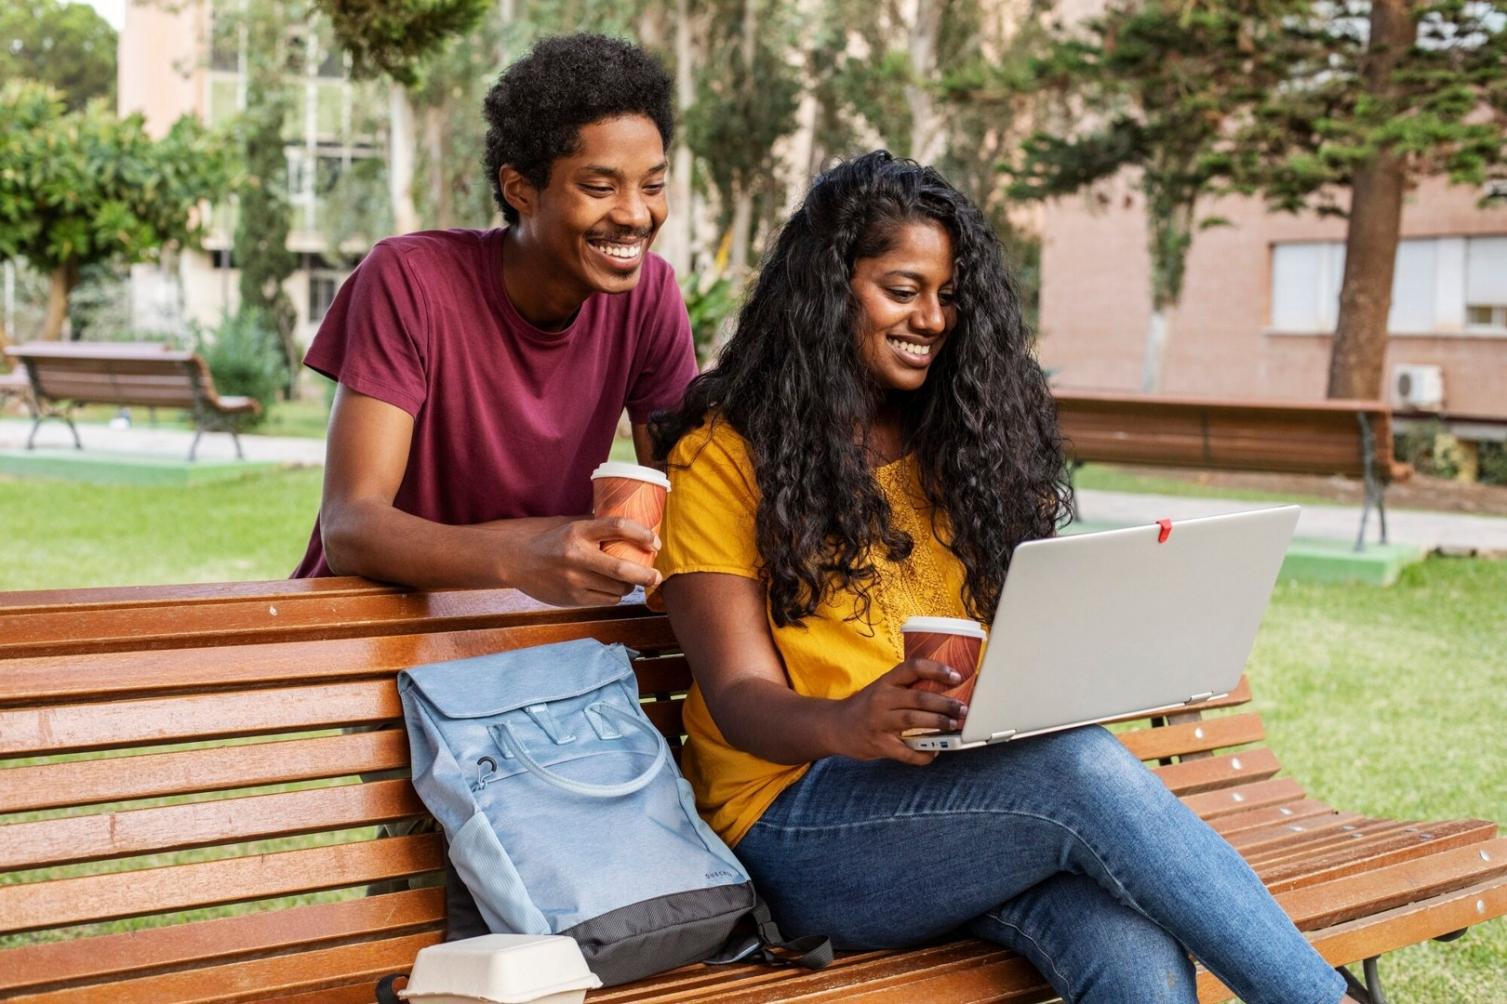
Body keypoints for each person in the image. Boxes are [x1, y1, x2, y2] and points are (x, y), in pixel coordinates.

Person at [649, 151, 1358, 1004]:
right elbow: (737, 698)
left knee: (1127, 947)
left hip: (969, 807)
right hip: (798, 826)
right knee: (1076, 768)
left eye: (949, 296)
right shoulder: (724, 457)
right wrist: (849, 721)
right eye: (902, 290)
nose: (932, 318)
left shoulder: (960, 448)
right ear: (827, 289)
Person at [291, 33, 697, 601]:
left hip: (522, 630)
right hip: (369, 623)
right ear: (520, 189)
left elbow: (686, 499)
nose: (635, 214)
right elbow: (351, 528)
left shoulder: (649, 296)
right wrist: (526, 556)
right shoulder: (410, 280)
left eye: (652, 185)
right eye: (599, 187)